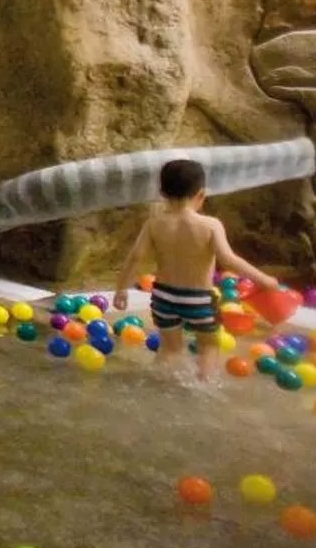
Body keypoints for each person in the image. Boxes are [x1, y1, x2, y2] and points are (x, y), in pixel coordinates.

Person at [112, 157, 283, 382]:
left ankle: (156, 383)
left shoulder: (153, 223)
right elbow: (229, 260)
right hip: (198, 299)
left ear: (162, 193)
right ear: (201, 194)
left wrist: (121, 289)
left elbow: (135, 257)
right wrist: (264, 279)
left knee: (170, 349)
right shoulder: (211, 225)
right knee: (208, 346)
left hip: (164, 297)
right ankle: (203, 386)